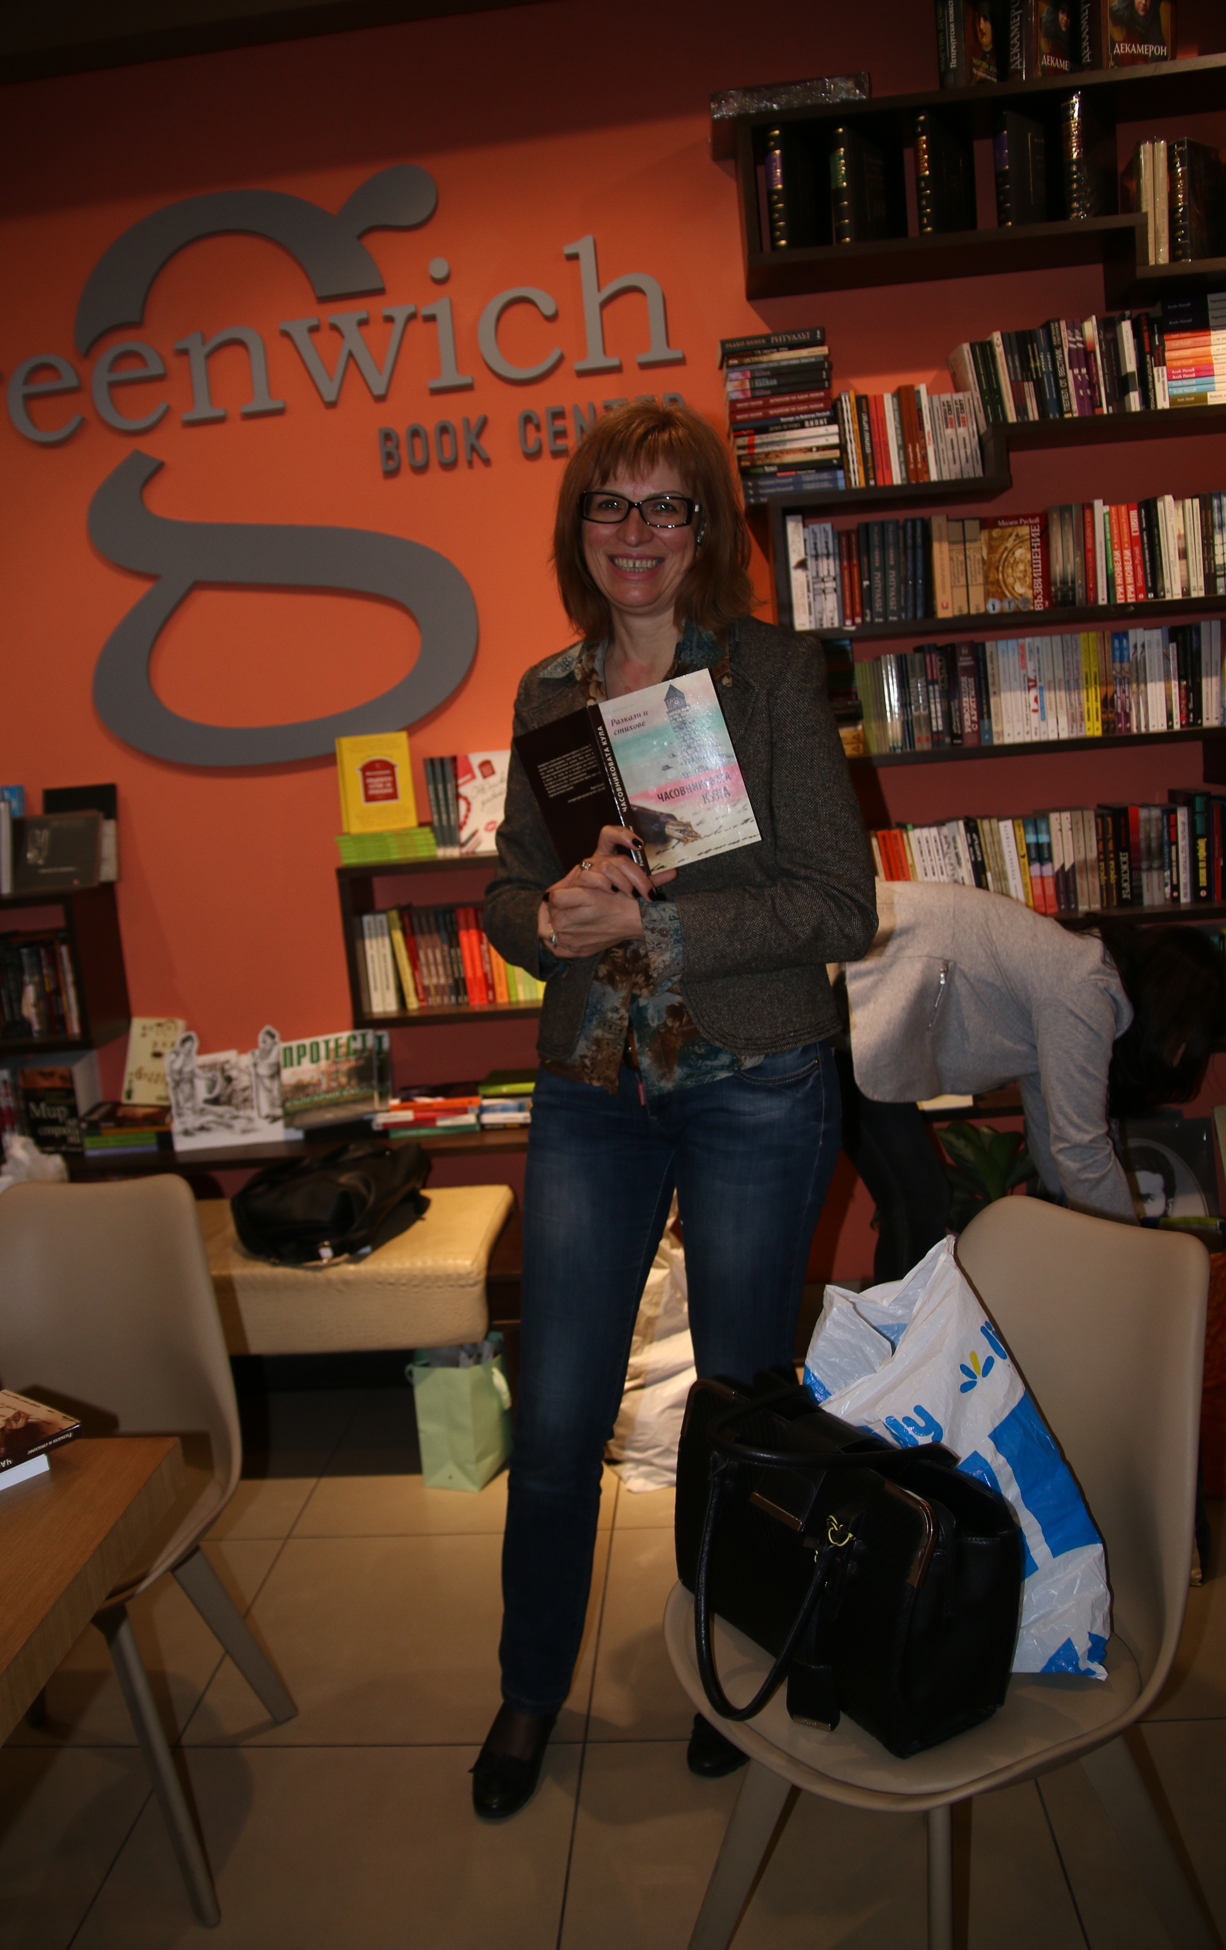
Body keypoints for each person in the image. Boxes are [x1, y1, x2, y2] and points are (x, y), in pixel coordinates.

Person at [475, 401, 877, 1819]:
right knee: (554, 1419)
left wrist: (658, 931)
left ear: (706, 529)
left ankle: (732, 1659)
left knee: (739, 1405)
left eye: (666, 506)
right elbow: (506, 890)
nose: (635, 532)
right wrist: (549, 919)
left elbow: (840, 904)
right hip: (595, 1084)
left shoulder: (771, 675)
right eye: (610, 504)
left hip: (754, 1081)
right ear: (578, 528)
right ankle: (531, 1686)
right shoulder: (548, 691)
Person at [837, 877, 1226, 1281]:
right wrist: (1136, 1263)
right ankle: (896, 1327)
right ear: (1178, 1014)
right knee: (916, 1201)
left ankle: (897, 1325)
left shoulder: (1084, 979)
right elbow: (1082, 1148)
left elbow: (1058, 1140)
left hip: (868, 998)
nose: (1180, 1055)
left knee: (916, 1199)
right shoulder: (1084, 991)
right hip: (863, 994)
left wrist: (1088, 1230)